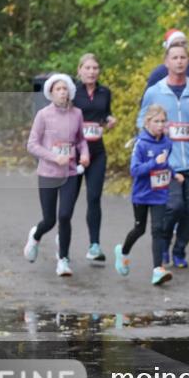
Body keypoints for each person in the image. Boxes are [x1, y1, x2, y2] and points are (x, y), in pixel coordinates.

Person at [137, 42, 189, 268]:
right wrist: (153, 132)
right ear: (166, 62)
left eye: (183, 58)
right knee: (174, 206)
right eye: (175, 58)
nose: (180, 61)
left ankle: (179, 250)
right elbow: (140, 120)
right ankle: (162, 245)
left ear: (188, 61)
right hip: (166, 162)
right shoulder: (155, 92)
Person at [23, 74, 89, 277]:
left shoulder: (77, 113)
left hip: (70, 173)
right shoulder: (43, 115)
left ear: (70, 91)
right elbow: (32, 145)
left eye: (64, 89)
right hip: (48, 173)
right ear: (51, 93)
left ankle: (63, 260)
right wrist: (53, 157)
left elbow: (80, 140)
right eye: (58, 89)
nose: (62, 92)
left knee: (65, 216)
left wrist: (85, 153)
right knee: (50, 220)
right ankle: (36, 235)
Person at [115, 104, 182, 286]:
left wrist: (174, 173)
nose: (160, 125)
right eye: (156, 121)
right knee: (140, 229)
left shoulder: (167, 143)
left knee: (157, 230)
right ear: (147, 122)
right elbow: (135, 170)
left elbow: (164, 164)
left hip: (159, 193)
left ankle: (157, 270)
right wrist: (154, 162)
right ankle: (123, 251)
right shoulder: (141, 143)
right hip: (142, 195)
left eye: (163, 121)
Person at [73, 53, 117, 265]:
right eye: (87, 68)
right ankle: (61, 241)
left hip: (97, 152)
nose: (91, 72)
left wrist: (109, 119)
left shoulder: (104, 92)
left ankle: (94, 245)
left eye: (95, 68)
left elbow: (105, 113)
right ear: (79, 70)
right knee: (68, 202)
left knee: (94, 198)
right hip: (74, 154)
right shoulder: (72, 92)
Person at [146, 29, 189, 101]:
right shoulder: (158, 74)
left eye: (183, 43)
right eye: (176, 44)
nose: (180, 46)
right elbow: (147, 102)